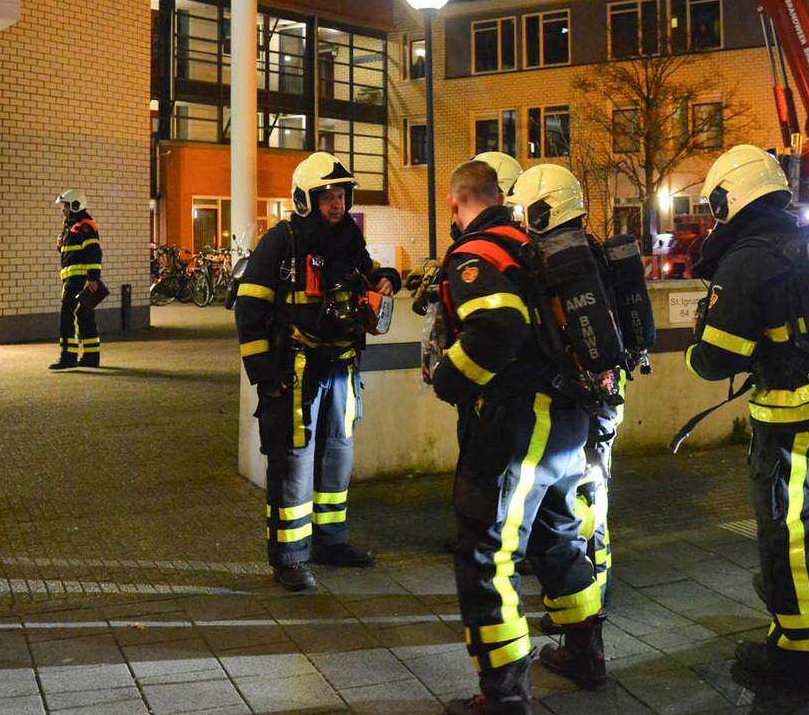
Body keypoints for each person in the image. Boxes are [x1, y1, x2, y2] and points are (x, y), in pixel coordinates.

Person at [684, 145, 809, 695]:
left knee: (786, 541)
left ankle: (798, 667)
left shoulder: (748, 258)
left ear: (730, 196)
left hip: (793, 421)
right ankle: (788, 639)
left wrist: (696, 346)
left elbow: (716, 359)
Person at [432, 160, 603, 715]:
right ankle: (584, 652)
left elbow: (498, 328)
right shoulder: (531, 240)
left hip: (518, 423)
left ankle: (504, 696)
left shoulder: (477, 253)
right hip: (567, 416)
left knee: (485, 553)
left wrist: (450, 378)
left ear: (458, 203)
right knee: (557, 535)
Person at [234, 152, 400, 592]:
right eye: (327, 195)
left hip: (342, 369)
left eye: (341, 194)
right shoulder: (281, 243)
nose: (336, 203)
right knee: (293, 462)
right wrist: (265, 375)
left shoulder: (349, 239)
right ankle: (289, 556)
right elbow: (249, 309)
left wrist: (388, 278)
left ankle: (331, 541)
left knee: (337, 455)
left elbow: (370, 275)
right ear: (305, 199)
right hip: (296, 371)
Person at [506, 164, 624, 624]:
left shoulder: (557, 260)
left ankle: (587, 595)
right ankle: (597, 582)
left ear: (540, 211)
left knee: (581, 497)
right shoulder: (591, 251)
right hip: (609, 386)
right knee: (595, 487)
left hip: (580, 393)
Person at [50, 188, 102, 371]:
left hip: (78, 280)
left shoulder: (84, 226)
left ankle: (68, 356)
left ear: (74, 205)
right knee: (84, 315)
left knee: (68, 315)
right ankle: (91, 356)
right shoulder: (72, 226)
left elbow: (94, 253)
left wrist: (93, 278)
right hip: (75, 279)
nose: (62, 210)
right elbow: (74, 254)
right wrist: (60, 246)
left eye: (64, 205)